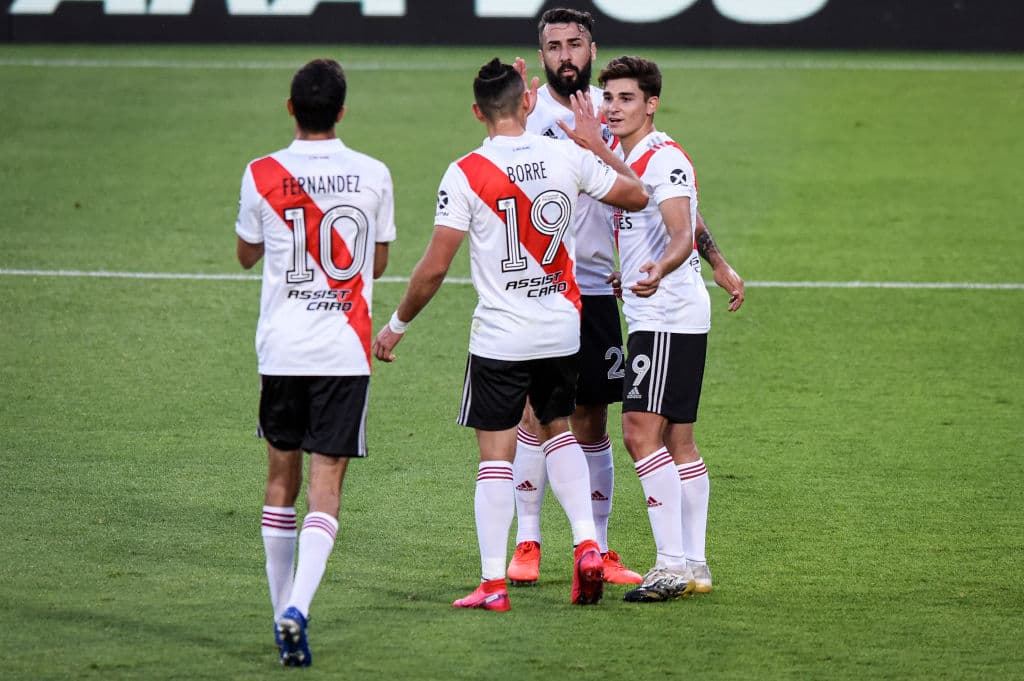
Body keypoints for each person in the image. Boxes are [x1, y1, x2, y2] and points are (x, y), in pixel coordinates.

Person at [372, 58, 648, 611]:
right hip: (561, 328)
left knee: (496, 457)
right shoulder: (564, 155)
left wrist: (397, 324)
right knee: (560, 431)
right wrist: (597, 144)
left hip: (501, 334)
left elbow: (432, 267)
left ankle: (494, 583)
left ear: (477, 111)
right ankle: (589, 546)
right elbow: (637, 195)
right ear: (527, 103)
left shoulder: (465, 171)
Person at [508, 7, 745, 590]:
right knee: (536, 414)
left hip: (607, 295)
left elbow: (669, 203)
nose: (564, 55)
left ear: (590, 49)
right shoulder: (532, 113)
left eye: (574, 44)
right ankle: (529, 542)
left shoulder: (607, 119)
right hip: (541, 288)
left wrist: (707, 260)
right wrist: (512, 121)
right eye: (554, 45)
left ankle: (615, 551)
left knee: (604, 419)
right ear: (541, 54)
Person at [235, 58, 396, 664]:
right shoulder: (373, 173)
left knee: (281, 483)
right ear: (343, 110)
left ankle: (282, 618)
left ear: (290, 108)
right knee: (325, 490)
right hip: (343, 351)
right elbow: (376, 265)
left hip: (282, 349)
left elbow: (247, 255)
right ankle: (300, 607)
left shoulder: (262, 173)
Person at [594, 54, 740, 602]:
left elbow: (679, 231)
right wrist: (718, 263)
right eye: (608, 97)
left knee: (637, 432)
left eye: (626, 98)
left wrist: (660, 267)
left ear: (650, 104)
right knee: (679, 440)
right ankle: (696, 565)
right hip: (665, 308)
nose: (613, 108)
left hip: (665, 316)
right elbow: (690, 218)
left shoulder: (661, 157)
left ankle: (670, 565)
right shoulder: (632, 156)